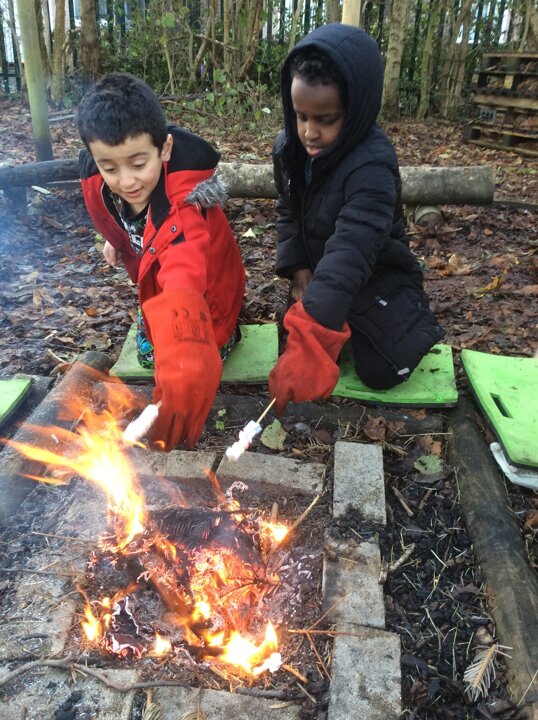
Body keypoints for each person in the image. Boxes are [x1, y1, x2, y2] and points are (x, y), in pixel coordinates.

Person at [268, 24, 445, 415]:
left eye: (326, 119)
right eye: (300, 116)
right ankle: (329, 314)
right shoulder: (290, 148)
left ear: (356, 109)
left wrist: (314, 331)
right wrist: (299, 270)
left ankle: (407, 318)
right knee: (290, 347)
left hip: (376, 276)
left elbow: (352, 249)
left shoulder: (373, 166)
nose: (309, 132)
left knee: (383, 369)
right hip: (321, 271)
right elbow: (288, 209)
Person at [77, 73, 245, 449]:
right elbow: (112, 214)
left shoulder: (184, 209)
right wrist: (117, 241)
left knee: (178, 362)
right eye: (110, 168)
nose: (126, 181)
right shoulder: (100, 180)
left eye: (138, 164)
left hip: (205, 294)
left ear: (164, 149)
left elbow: (184, 271)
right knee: (152, 352)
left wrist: (185, 354)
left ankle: (228, 331)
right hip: (156, 280)